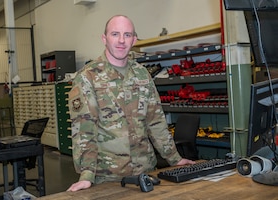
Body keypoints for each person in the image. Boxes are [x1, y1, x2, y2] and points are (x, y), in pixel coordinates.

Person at [67, 15, 195, 192]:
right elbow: (84, 131)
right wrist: (87, 175)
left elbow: (155, 122)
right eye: (115, 34)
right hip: (108, 177)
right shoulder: (87, 77)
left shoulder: (142, 74)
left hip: (147, 171)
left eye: (127, 35)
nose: (121, 40)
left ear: (134, 40)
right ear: (104, 39)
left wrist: (175, 159)